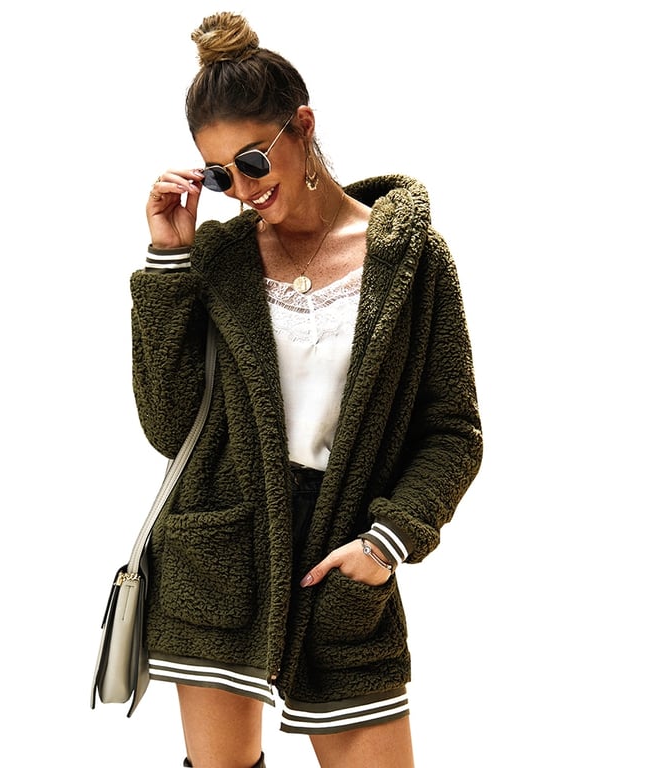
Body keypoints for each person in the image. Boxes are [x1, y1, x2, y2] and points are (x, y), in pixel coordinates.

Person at [133, 11, 482, 768]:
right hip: (220, 560)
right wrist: (169, 265)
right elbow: (168, 425)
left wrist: (387, 544)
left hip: (341, 560)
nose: (243, 189)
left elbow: (453, 430)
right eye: (220, 175)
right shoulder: (218, 259)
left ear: (303, 125)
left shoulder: (411, 261)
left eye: (253, 161)